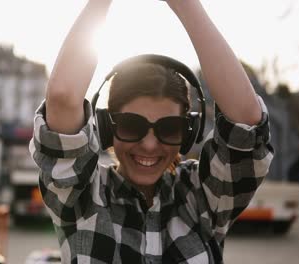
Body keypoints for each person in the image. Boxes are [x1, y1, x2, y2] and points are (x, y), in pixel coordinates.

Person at [29, 0, 274, 263]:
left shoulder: (201, 194)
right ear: (107, 126)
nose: (149, 144)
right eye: (132, 125)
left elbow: (247, 123)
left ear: (188, 132)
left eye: (169, 128)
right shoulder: (82, 196)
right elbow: (63, 97)